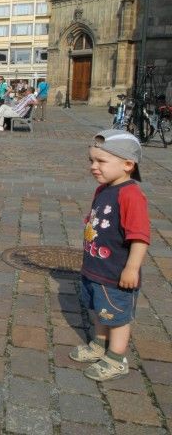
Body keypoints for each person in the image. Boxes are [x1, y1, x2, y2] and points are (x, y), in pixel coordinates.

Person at [69, 130, 149, 381]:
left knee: (117, 316)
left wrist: (132, 268)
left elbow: (139, 236)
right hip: (96, 267)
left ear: (127, 164)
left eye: (101, 161)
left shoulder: (131, 195)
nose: (94, 167)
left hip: (116, 273)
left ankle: (116, 358)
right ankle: (99, 344)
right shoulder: (103, 189)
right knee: (100, 310)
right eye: (91, 160)